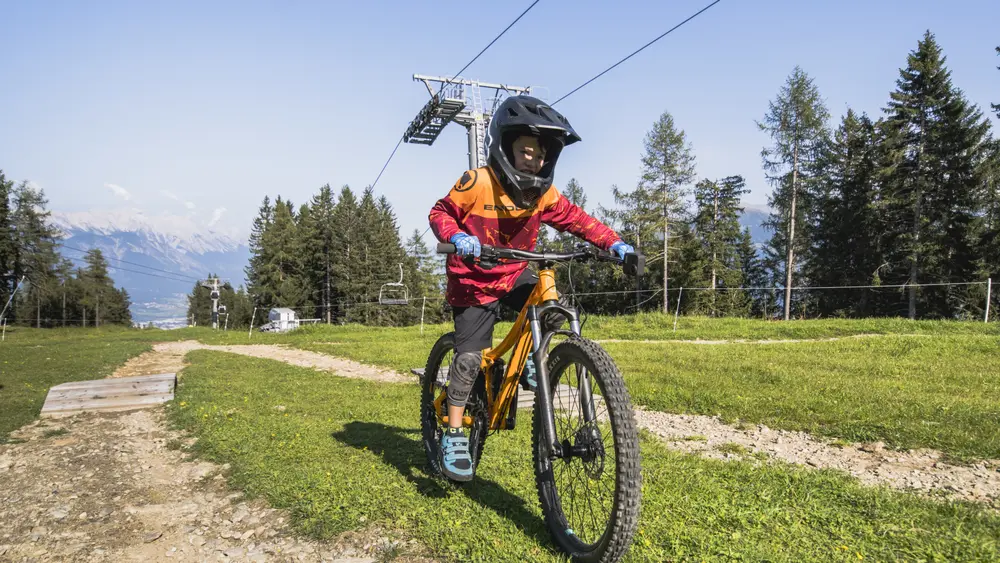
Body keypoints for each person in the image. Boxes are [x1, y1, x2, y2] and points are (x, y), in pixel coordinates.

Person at [427, 95, 634, 481]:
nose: (533, 161)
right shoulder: (478, 182)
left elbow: (579, 221)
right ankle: (454, 431)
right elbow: (440, 212)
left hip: (512, 270)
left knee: (552, 308)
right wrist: (456, 235)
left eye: (539, 155)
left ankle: (532, 364)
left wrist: (615, 244)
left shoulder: (544, 195)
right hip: (473, 281)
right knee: (470, 359)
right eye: (525, 151)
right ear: (505, 147)